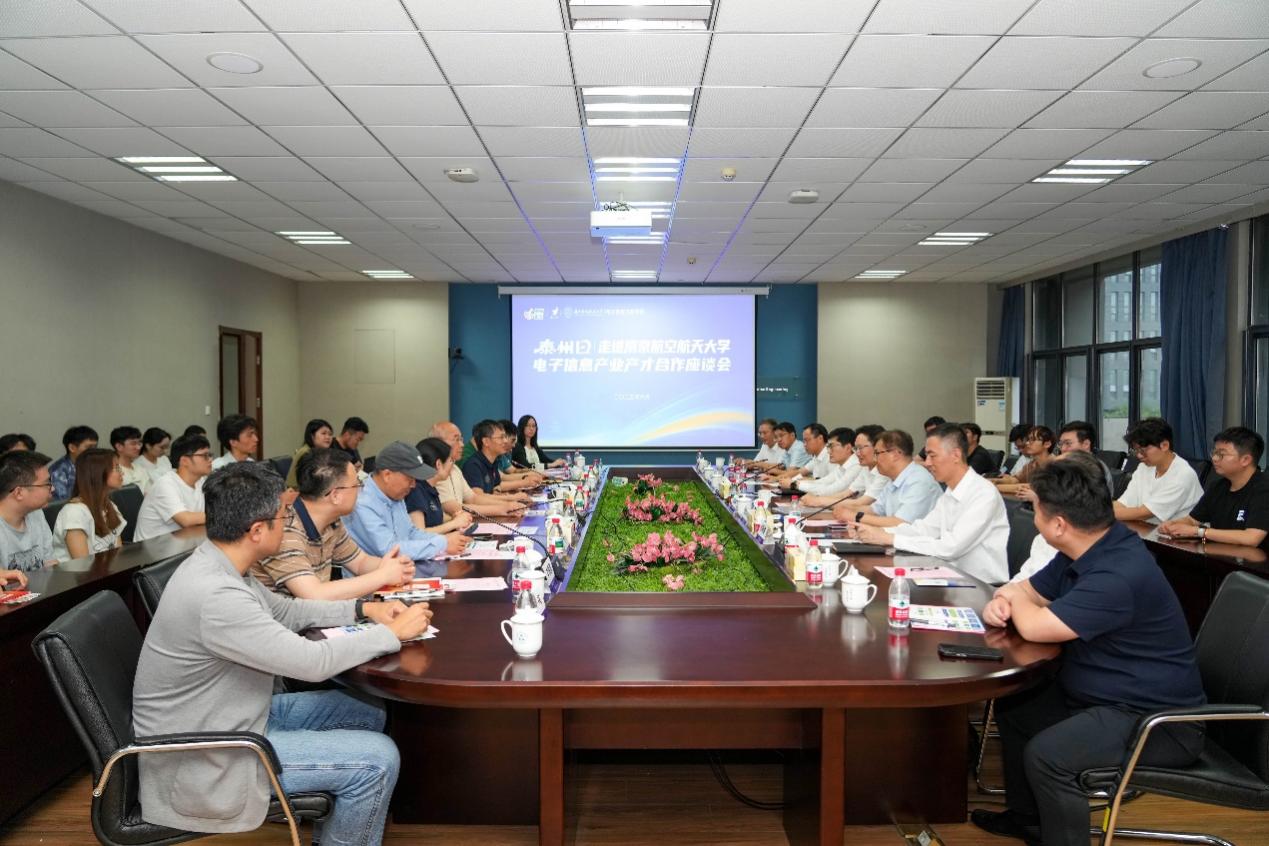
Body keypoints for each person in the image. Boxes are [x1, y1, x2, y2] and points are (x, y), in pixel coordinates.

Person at [132, 461, 432, 844]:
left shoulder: (221, 564)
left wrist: (364, 609)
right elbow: (312, 662)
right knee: (378, 759)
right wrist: (390, 634)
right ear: (257, 531)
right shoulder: (217, 595)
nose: (288, 522)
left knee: (368, 710)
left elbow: (288, 612)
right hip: (209, 754)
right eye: (283, 516)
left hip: (236, 714)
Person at [976, 454, 1205, 846]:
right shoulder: (1086, 548)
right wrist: (1005, 599)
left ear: (1058, 524)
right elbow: (1024, 590)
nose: (1033, 517)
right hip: (1103, 697)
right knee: (1018, 706)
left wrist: (1014, 600)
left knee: (1050, 756)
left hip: (1155, 720)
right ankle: (1029, 820)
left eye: (1036, 510)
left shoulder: (1118, 572)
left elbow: (1034, 623)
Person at [853, 423, 1009, 584]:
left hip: (981, 585)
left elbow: (951, 547)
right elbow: (924, 529)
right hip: (950, 576)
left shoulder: (983, 493)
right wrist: (878, 532)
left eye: (932, 456)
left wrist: (891, 538)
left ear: (956, 455)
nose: (927, 463)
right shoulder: (950, 492)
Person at [250, 448, 416, 599]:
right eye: (357, 485)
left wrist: (393, 566)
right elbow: (314, 594)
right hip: (283, 620)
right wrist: (383, 575)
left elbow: (360, 562)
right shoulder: (284, 529)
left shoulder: (332, 521)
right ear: (335, 495)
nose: (360, 490)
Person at [345, 441, 471, 571]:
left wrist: (445, 540)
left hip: (404, 571)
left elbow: (411, 532)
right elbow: (390, 549)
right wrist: (441, 544)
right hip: (373, 580)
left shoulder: (395, 494)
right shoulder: (362, 503)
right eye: (410, 478)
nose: (413, 485)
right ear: (387, 475)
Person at [1160, 426, 1269, 549]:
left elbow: (1251, 538)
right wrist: (1173, 524)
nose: (1214, 458)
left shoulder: (1263, 489)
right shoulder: (1217, 486)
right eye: (1214, 453)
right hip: (1218, 554)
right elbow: (1193, 520)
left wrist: (1199, 532)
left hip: (1255, 559)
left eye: (1221, 454)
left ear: (1245, 460)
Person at [429, 421, 531, 518]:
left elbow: (473, 498)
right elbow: (454, 508)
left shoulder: (455, 469)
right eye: (456, 440)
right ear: (437, 443)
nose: (462, 445)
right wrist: (502, 508)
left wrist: (508, 504)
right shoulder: (435, 472)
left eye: (461, 439)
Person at [1113, 417, 1204, 524]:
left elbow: (1144, 513)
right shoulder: (1143, 467)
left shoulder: (1183, 475)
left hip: (1180, 533)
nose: (1139, 456)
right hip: (1149, 528)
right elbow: (1124, 503)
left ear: (1164, 445)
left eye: (1143, 450)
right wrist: (1099, 510)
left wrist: (1102, 515)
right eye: (1136, 450)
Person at [850, 429, 942, 527]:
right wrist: (846, 510)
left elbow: (900, 523)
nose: (874, 459)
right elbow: (875, 510)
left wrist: (854, 516)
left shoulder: (919, 481)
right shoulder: (894, 480)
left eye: (877, 453)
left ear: (895, 454)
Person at [51, 448, 126, 563]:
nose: (122, 473)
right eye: (116, 468)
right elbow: (83, 565)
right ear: (98, 473)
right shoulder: (74, 512)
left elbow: (118, 556)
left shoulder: (110, 506)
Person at [133, 433, 212, 541]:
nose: (210, 459)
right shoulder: (165, 484)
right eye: (205, 456)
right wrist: (222, 514)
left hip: (181, 542)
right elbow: (186, 520)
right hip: (152, 548)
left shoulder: (201, 481)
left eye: (210, 455)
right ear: (184, 461)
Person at [0, 450, 55, 572]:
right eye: (47, 483)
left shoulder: (36, 514)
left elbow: (50, 563)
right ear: (19, 493)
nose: (53, 488)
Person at [406, 437, 475, 534]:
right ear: (438, 464)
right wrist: (454, 523)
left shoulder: (431, 488)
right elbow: (419, 534)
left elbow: (435, 522)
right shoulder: (416, 490)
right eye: (451, 461)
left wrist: (455, 519)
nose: (452, 466)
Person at [462, 420, 538, 495]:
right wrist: (514, 496)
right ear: (486, 442)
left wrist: (506, 496)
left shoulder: (493, 462)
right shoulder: (473, 465)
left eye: (505, 437)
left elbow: (497, 488)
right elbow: (478, 498)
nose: (505, 441)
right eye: (501, 437)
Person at [830, 425, 890, 520]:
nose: (857, 453)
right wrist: (818, 500)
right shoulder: (865, 468)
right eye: (856, 448)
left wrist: (819, 501)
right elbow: (846, 494)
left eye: (860, 448)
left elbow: (861, 503)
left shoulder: (885, 473)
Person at [798, 427, 864, 502]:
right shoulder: (841, 466)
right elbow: (823, 482)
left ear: (848, 448)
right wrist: (797, 483)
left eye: (832, 446)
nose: (828, 451)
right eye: (828, 447)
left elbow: (832, 490)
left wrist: (797, 485)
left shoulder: (856, 466)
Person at [993, 426, 1057, 494]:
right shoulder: (1031, 464)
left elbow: (1034, 488)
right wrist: (994, 481)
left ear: (1047, 444)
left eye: (1033, 440)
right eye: (1028, 440)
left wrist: (995, 487)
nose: (1027, 443)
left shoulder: (1055, 465)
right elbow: (1016, 479)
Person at [49, 425, 98, 500]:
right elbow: (61, 502)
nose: (94, 451)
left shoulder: (95, 465)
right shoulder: (58, 471)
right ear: (72, 448)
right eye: (89, 447)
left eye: (95, 447)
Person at [286, 419, 335, 489]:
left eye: (330, 434)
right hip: (297, 492)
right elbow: (309, 482)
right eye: (323, 433)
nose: (328, 437)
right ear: (312, 436)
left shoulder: (319, 452)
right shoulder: (306, 452)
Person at [110, 425, 151, 493]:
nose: (138, 447)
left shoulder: (141, 469)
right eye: (133, 444)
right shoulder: (113, 471)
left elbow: (149, 493)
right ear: (119, 446)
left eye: (139, 443)